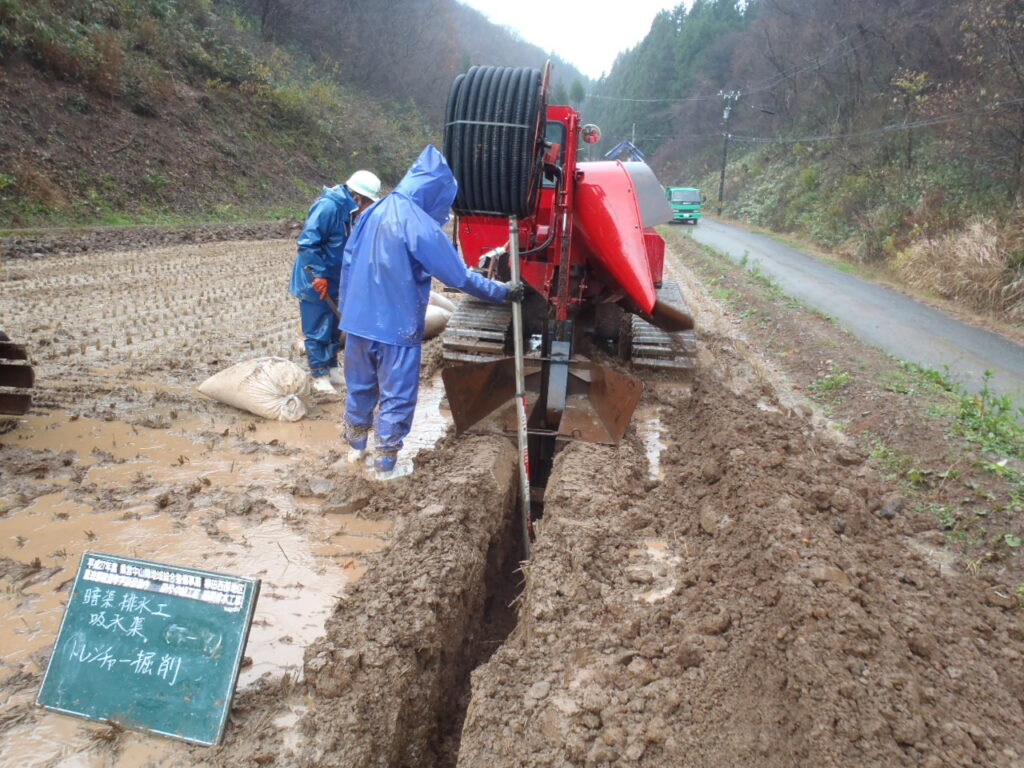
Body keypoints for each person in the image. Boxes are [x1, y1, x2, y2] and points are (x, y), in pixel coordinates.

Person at [338, 145, 524, 478]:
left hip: (358, 322)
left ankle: (355, 451)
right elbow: (458, 276)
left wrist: (347, 311)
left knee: (360, 386)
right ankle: (385, 468)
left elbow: (349, 261)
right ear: (436, 194)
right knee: (396, 394)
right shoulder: (419, 226)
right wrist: (502, 292)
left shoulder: (371, 211)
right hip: (395, 325)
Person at [289, 170, 382, 395]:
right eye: (367, 202)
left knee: (332, 327)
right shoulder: (328, 207)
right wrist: (319, 275)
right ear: (357, 197)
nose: (366, 208)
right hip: (315, 279)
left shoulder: (348, 210)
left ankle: (331, 368)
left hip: (333, 277)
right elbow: (308, 243)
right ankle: (319, 375)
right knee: (316, 327)